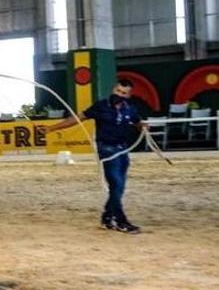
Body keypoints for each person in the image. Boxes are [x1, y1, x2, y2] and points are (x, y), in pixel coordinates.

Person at [47, 80, 147, 234]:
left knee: (117, 187)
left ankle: (107, 218)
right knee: (116, 184)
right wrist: (51, 129)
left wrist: (143, 127)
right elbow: (77, 118)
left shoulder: (130, 109)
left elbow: (137, 123)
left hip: (123, 150)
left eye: (124, 93)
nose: (120, 95)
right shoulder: (101, 106)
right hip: (107, 150)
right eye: (118, 91)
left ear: (129, 95)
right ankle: (120, 220)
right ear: (114, 89)